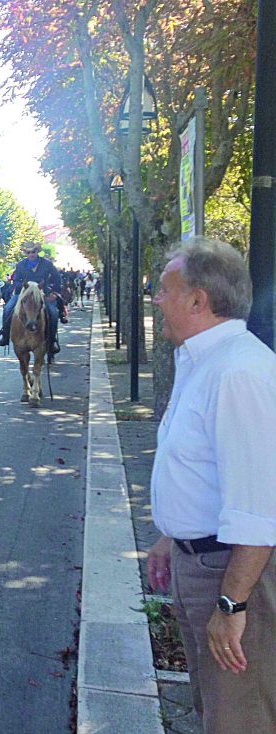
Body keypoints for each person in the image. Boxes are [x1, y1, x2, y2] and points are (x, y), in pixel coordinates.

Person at [145, 237, 276, 734]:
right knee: (213, 707)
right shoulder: (203, 361)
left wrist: (231, 604)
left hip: (232, 572)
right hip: (200, 561)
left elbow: (260, 508)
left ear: (199, 300)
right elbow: (203, 471)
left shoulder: (237, 373)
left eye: (164, 290)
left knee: (239, 717)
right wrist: (169, 534)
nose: (155, 300)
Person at [0, 243, 61, 352]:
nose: (31, 254)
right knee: (7, 308)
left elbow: (57, 278)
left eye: (33, 252)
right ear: (26, 253)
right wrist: (25, 286)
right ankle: (5, 336)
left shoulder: (47, 264)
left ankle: (52, 341)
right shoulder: (21, 265)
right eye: (28, 252)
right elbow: (16, 280)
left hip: (42, 293)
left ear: (37, 252)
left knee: (53, 312)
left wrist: (54, 293)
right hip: (23, 293)